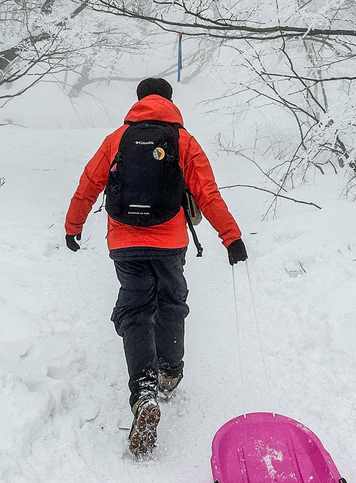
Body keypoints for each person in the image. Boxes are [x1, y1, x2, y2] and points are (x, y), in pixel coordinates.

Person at [65, 77, 247, 457]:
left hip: (125, 242)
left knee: (134, 309)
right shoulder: (183, 140)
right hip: (169, 242)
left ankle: (144, 391)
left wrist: (73, 225)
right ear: (168, 100)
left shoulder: (118, 138)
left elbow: (89, 183)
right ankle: (169, 369)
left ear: (139, 100)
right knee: (170, 302)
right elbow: (206, 193)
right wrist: (231, 237)